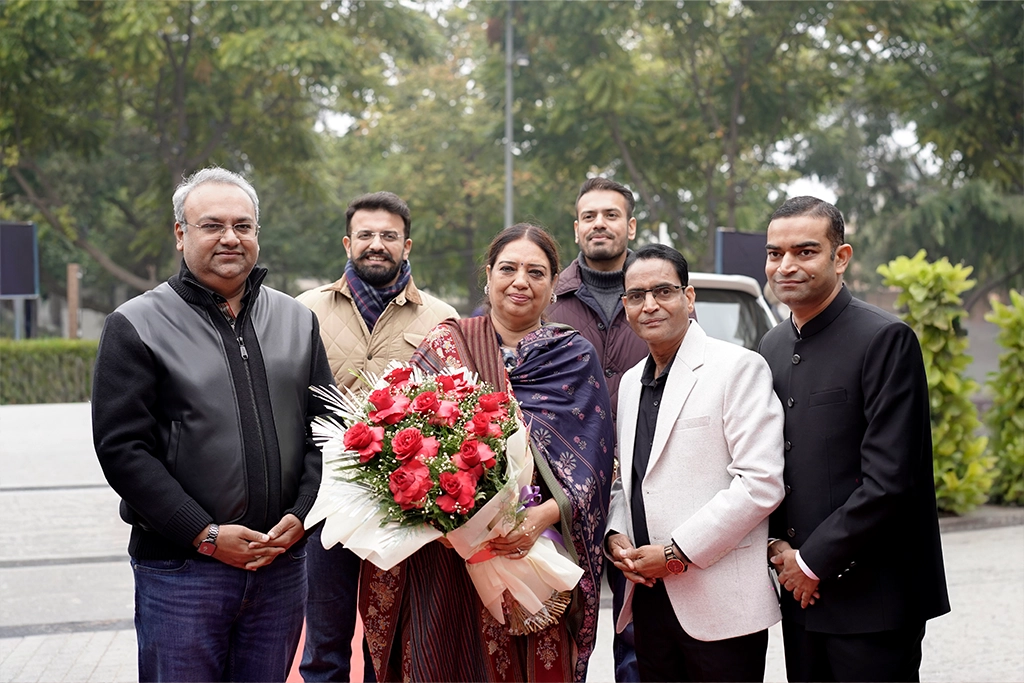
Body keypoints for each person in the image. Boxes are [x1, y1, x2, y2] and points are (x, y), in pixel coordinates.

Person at [92, 167, 334, 682]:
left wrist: (302, 513)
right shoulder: (135, 324)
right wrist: (204, 534)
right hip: (182, 572)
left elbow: (327, 428)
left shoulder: (297, 320)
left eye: (243, 226)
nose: (230, 237)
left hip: (279, 565)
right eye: (212, 225)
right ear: (180, 234)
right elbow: (123, 450)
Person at [359, 223, 615, 682]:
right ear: (489, 275)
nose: (521, 281)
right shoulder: (446, 344)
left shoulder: (574, 356)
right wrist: (451, 526)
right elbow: (401, 442)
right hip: (446, 555)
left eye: (536, 272)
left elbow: (594, 468)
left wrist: (540, 518)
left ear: (553, 286)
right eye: (508, 268)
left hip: (534, 551)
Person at [759, 196, 950, 682]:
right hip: (799, 594)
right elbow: (768, 459)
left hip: (874, 599)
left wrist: (810, 562)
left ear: (840, 257)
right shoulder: (771, 346)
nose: (786, 266)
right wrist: (778, 546)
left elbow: (890, 479)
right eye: (775, 253)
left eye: (805, 251)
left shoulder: (885, 339)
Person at [605, 243, 786, 682]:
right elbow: (628, 479)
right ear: (626, 306)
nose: (650, 305)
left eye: (663, 291)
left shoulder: (737, 367)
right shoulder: (629, 383)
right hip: (649, 597)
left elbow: (760, 483)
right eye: (636, 295)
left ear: (688, 297)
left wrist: (674, 554)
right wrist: (616, 534)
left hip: (720, 602)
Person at [296, 191, 456, 682]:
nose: (376, 244)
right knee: (324, 642)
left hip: (402, 506)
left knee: (388, 643)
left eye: (389, 235)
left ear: (407, 246)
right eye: (365, 234)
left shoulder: (440, 319)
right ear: (348, 243)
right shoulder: (304, 311)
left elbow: (453, 407)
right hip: (324, 498)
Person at [546, 176, 649, 682]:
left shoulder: (656, 294)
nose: (599, 224)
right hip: (562, 487)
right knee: (564, 624)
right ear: (576, 228)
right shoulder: (548, 297)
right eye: (589, 216)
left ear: (631, 226)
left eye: (611, 215)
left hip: (642, 483)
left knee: (638, 631)